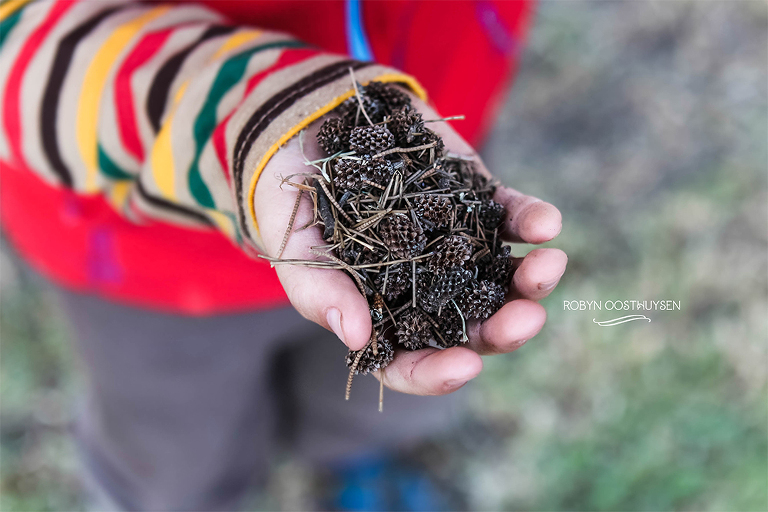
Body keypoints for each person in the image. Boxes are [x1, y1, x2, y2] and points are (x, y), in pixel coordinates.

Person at [0, 0, 567, 510]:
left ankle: (360, 458)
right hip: (149, 265)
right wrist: (246, 111)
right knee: (177, 442)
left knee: (382, 378)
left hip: (430, 111)